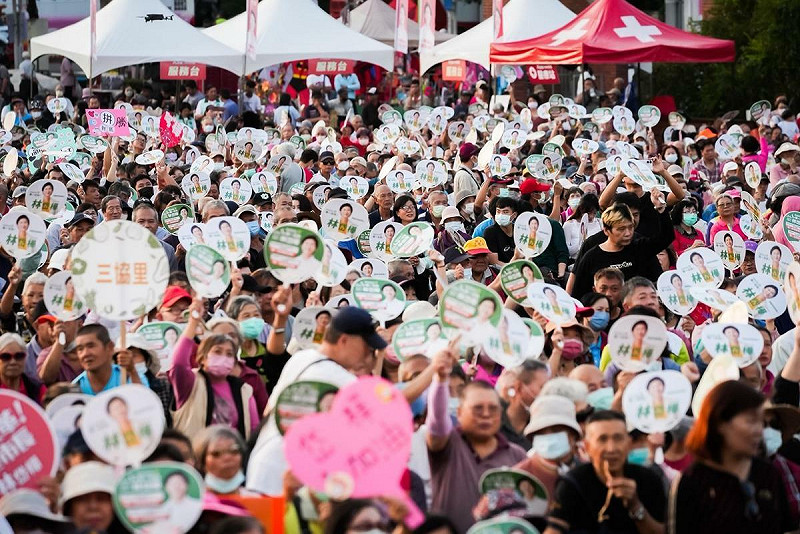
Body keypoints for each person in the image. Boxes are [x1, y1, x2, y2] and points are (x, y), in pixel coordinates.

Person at [247, 307, 387, 495]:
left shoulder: (302, 358)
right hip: (286, 479)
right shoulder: (339, 379)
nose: (370, 353)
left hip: (263, 463)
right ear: (344, 340)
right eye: (367, 347)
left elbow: (268, 410)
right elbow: (388, 410)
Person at [669, 380, 792, 533]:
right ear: (720, 423)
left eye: (762, 423)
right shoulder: (693, 481)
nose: (759, 431)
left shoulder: (769, 474)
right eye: (751, 421)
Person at [544, 410, 666, 534]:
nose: (611, 448)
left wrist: (635, 506)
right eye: (602, 439)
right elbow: (555, 529)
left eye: (618, 438)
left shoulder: (649, 479)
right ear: (587, 447)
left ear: (629, 443)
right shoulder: (573, 483)